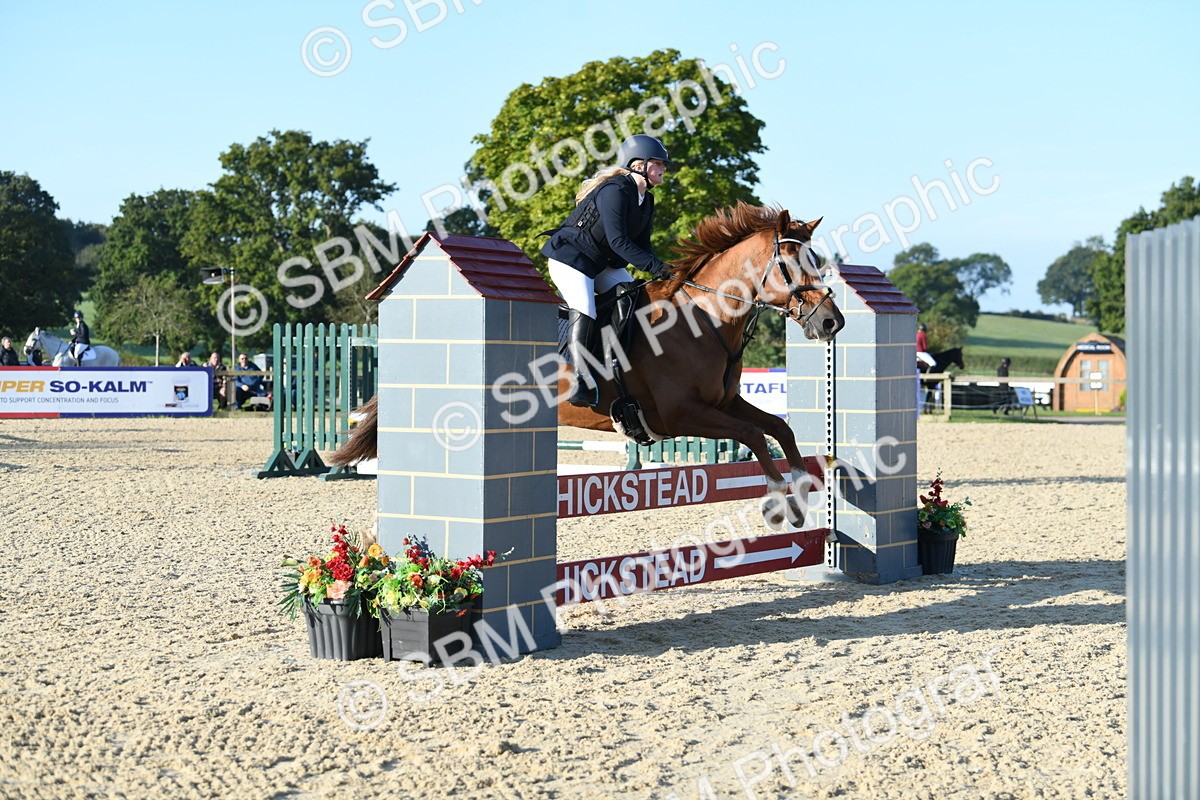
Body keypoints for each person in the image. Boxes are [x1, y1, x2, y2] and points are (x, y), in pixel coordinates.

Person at [540, 134, 676, 407]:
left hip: (600, 263)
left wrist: (666, 270)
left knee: (637, 297)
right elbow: (618, 241)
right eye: (658, 163)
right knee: (585, 307)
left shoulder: (646, 200)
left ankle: (614, 358)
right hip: (570, 259)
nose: (664, 168)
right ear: (639, 165)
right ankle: (580, 380)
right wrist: (653, 266)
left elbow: (642, 245)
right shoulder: (615, 190)